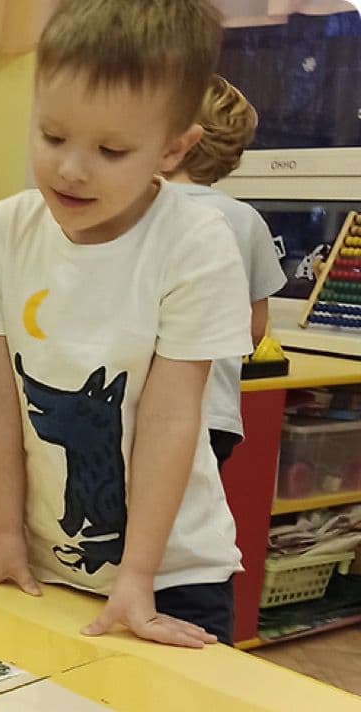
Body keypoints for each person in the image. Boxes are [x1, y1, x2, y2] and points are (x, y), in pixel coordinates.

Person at [0, 0, 253, 648]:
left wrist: (136, 575)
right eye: (52, 136)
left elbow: (170, 418)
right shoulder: (7, 228)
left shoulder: (195, 242)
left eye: (111, 150)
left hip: (171, 577)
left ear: (173, 149)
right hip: (51, 561)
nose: (71, 169)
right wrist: (6, 535)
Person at [165, 75, 288, 468]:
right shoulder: (246, 220)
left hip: (136, 406)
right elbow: (254, 328)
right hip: (215, 412)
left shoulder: (136, 207)